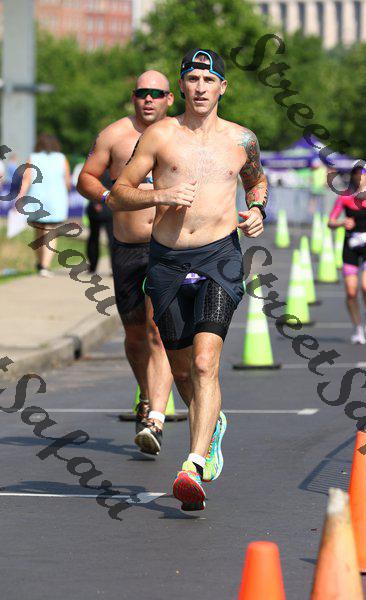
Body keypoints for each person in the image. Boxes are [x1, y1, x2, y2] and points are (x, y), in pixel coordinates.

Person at [108, 49, 267, 510]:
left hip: (220, 258)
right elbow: (118, 194)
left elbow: (256, 182)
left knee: (203, 363)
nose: (200, 87)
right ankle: (212, 424)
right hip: (167, 262)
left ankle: (194, 464)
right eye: (192, 79)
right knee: (180, 371)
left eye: (208, 79)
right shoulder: (160, 135)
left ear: (222, 87)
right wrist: (161, 195)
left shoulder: (242, 140)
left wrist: (258, 209)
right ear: (181, 87)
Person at [77, 71, 174, 454]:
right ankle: (146, 396)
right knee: (135, 334)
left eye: (157, 94)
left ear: (169, 98)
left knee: (158, 332)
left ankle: (156, 419)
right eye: (142, 93)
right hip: (128, 247)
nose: (149, 99)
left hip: (168, 248)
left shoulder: (180, 135)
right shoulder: (114, 135)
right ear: (134, 97)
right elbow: (86, 177)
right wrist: (107, 196)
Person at [328, 161, 366, 344]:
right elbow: (330, 222)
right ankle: (357, 329)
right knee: (351, 292)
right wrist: (341, 223)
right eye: (356, 172)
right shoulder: (344, 197)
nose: (359, 176)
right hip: (350, 246)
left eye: (362, 172)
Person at [18, 134, 71, 277]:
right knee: (51, 232)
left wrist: (21, 196)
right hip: (56, 200)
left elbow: (26, 179)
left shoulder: (33, 157)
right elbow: (67, 181)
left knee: (39, 231)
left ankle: (41, 263)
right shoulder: (62, 158)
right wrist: (66, 193)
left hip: (36, 200)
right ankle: (45, 266)